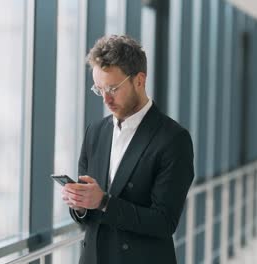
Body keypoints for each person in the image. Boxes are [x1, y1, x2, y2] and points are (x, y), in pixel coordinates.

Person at [61, 35, 195, 264]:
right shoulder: (95, 132)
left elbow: (164, 222)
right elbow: (88, 219)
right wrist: (80, 204)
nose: (105, 99)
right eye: (99, 89)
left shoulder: (173, 139)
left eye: (113, 88)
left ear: (139, 80)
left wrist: (103, 201)